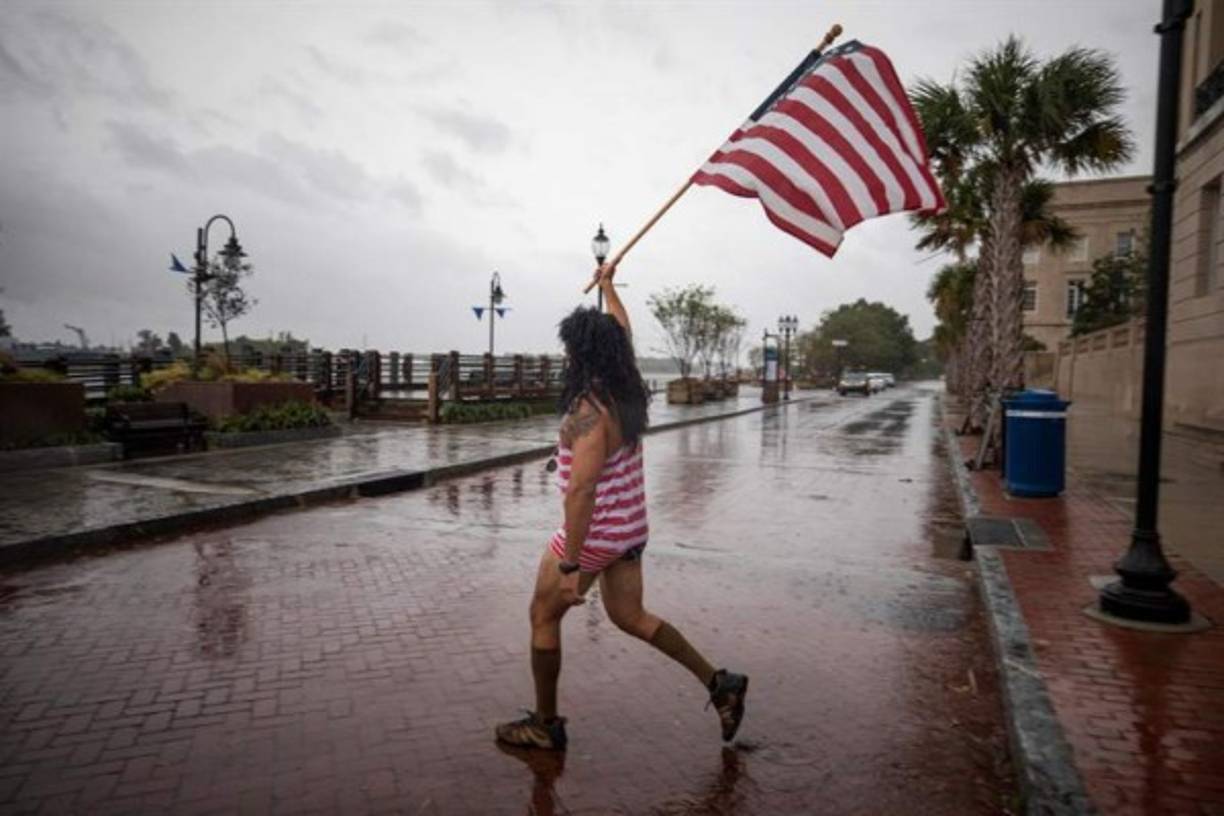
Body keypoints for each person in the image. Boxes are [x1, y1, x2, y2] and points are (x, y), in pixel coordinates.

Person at [495, 263, 748, 751]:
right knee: (631, 617)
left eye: (570, 347)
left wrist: (570, 563)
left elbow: (581, 492)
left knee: (542, 617)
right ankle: (721, 684)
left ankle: (545, 726)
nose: (566, 354)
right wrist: (609, 287)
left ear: (582, 351)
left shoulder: (590, 409)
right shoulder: (625, 389)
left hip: (596, 534)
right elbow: (624, 331)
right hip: (630, 529)